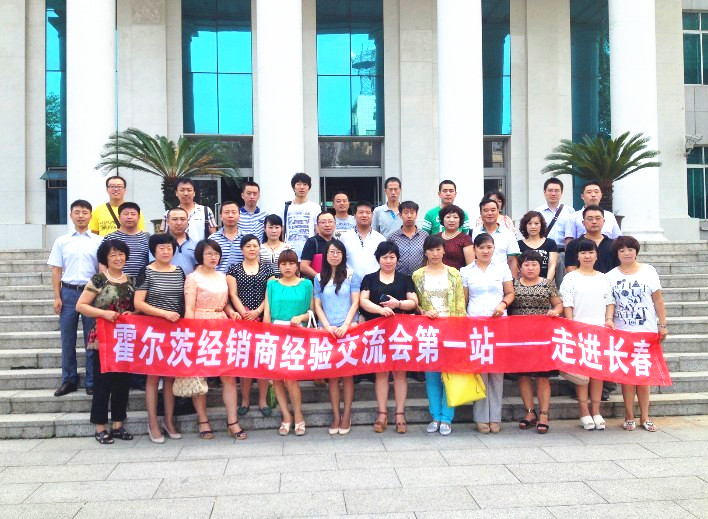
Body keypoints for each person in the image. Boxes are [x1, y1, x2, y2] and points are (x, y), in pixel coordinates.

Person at [184, 239, 246, 440]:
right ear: (200, 256)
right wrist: (190, 334)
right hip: (201, 327)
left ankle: (233, 421)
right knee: (199, 375)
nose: (213, 257)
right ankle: (203, 420)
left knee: (228, 375)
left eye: (216, 253)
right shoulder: (193, 278)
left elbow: (224, 303)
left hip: (222, 327)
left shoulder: (222, 276)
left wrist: (231, 312)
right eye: (209, 253)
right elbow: (189, 309)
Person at [75, 239, 135, 444]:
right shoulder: (99, 279)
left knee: (122, 382)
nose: (118, 258)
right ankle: (100, 427)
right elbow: (81, 306)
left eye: (121, 254)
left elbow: (136, 307)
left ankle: (118, 424)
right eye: (113, 255)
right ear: (105, 259)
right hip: (102, 338)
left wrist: (133, 313)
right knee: (102, 383)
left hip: (124, 339)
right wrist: (103, 314)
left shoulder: (132, 280)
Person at [607, 236, 668, 432]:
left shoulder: (648, 271)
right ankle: (629, 416)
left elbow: (657, 299)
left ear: (636, 251)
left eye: (630, 249)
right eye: (622, 250)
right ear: (617, 254)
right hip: (622, 332)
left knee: (643, 375)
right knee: (627, 376)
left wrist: (662, 324)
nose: (627, 253)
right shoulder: (610, 276)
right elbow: (610, 303)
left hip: (646, 331)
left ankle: (645, 416)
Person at [359, 242, 419, 433]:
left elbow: (414, 302)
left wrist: (398, 304)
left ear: (397, 259)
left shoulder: (405, 279)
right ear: (378, 259)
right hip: (377, 332)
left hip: (400, 332)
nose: (388, 260)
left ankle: (400, 414)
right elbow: (363, 301)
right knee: (381, 372)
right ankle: (382, 413)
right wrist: (381, 310)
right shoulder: (369, 278)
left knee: (400, 372)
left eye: (392, 257)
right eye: (384, 257)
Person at [133, 233, 187, 444]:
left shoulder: (179, 271)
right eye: (161, 248)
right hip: (153, 330)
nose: (166, 252)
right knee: (153, 378)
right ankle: (153, 422)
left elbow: (182, 300)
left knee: (170, 377)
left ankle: (169, 420)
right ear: (153, 251)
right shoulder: (146, 271)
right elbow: (139, 303)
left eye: (169, 248)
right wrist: (164, 314)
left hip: (174, 331)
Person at [559, 238, 616, 431]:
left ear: (596, 255)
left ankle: (596, 411)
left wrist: (609, 319)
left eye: (591, 252)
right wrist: (571, 326)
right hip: (579, 331)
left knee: (598, 373)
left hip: (599, 330)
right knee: (582, 374)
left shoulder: (603, 277)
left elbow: (610, 301)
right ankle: (584, 411)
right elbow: (567, 304)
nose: (587, 256)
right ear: (578, 256)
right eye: (583, 253)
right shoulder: (571, 278)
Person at [460, 233, 514, 433]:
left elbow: (510, 292)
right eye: (481, 247)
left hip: (498, 324)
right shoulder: (466, 271)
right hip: (475, 325)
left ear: (494, 249)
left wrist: (503, 304)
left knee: (497, 372)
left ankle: (495, 417)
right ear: (474, 249)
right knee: (480, 371)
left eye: (489, 247)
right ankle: (481, 417)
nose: (485, 251)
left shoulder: (502, 268)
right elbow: (464, 299)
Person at [48, 200, 103, 397]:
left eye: (85, 212)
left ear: (90, 216)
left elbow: (101, 270)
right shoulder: (61, 241)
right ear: (71, 215)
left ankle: (91, 381)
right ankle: (69, 380)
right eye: (77, 212)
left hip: (91, 294)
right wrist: (57, 296)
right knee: (67, 338)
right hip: (68, 293)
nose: (81, 216)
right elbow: (56, 270)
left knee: (91, 339)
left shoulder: (99, 241)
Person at [412, 235, 466, 436]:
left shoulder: (454, 274)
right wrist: (423, 312)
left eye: (438, 249)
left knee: (449, 376)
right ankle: (435, 416)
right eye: (431, 250)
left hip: (451, 329)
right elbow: (415, 303)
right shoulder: (417, 275)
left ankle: (447, 418)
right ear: (425, 252)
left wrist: (459, 331)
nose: (435, 254)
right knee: (432, 376)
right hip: (428, 331)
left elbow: (460, 303)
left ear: (444, 250)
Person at [508, 250, 564, 434]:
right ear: (520, 267)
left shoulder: (547, 283)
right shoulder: (513, 284)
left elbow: (558, 304)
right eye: (526, 264)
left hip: (542, 337)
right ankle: (530, 412)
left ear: (540, 267)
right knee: (523, 376)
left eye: (534, 264)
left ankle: (544, 414)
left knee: (542, 376)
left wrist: (555, 311)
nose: (530, 268)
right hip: (520, 337)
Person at [263, 249, 313, 436]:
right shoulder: (272, 285)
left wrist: (301, 317)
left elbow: (311, 312)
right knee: (276, 378)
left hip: (296, 335)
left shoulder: (306, 284)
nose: (287, 267)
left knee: (291, 378)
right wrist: (266, 336)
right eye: (283, 264)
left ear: (297, 265)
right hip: (275, 333)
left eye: (291, 263)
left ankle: (298, 415)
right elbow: (267, 312)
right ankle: (286, 416)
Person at [313, 240, 361, 435]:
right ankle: (335, 415)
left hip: (348, 330)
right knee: (332, 376)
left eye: (338, 252)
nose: (335, 255)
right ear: (326, 255)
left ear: (343, 255)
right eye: (331, 252)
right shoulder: (318, 278)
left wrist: (346, 325)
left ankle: (347, 414)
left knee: (347, 375)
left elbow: (355, 302)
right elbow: (317, 305)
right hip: (328, 331)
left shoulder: (351, 275)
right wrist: (326, 326)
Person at [226, 234, 275, 418]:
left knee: (262, 362)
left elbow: (270, 293)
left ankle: (262, 401)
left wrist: (258, 312)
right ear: (242, 249)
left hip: (263, 319)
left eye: (255, 246)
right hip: (242, 321)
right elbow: (232, 294)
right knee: (245, 362)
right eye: (248, 246)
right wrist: (245, 313)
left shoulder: (268, 269)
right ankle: (245, 400)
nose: (252, 249)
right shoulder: (234, 269)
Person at [535, 178, 575, 284]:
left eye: (556, 191)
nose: (553, 193)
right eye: (550, 190)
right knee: (544, 283)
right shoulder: (537, 212)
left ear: (561, 193)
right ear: (544, 192)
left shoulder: (570, 211)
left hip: (564, 253)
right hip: (544, 253)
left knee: (564, 283)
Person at [471, 197, 521, 277]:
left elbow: (512, 261)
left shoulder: (508, 234)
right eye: (485, 210)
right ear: (480, 213)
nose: (490, 213)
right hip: (479, 278)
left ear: (498, 211)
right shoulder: (473, 232)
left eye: (493, 210)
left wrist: (512, 281)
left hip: (502, 279)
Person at [565, 205, 620, 275]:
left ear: (603, 221)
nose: (594, 222)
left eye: (598, 218)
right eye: (590, 219)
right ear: (583, 223)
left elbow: (619, 268)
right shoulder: (573, 244)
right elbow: (571, 268)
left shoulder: (613, 245)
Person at [339, 201, 386, 279]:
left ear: (372, 216)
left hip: (374, 282)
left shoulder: (381, 239)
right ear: (354, 216)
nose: (364, 215)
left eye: (368, 213)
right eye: (361, 212)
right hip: (350, 282)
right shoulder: (344, 238)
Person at [103, 202, 150, 278]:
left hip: (142, 283)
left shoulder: (147, 238)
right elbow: (102, 263)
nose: (129, 217)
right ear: (119, 217)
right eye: (125, 214)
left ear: (139, 217)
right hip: (116, 282)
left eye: (133, 214)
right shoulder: (109, 238)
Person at [283, 172, 322, 258]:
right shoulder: (286, 207)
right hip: (289, 252)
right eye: (298, 184)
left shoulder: (315, 207)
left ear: (309, 188)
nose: (302, 187)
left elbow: (318, 230)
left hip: (309, 252)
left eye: (305, 184)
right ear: (293, 187)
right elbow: (283, 231)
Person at [153, 207, 197, 275]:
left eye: (182, 219)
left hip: (190, 281)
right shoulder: (157, 244)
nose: (179, 223)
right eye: (174, 219)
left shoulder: (195, 244)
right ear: (167, 221)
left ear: (187, 221)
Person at [518, 210, 558, 281]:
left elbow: (552, 265)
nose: (533, 226)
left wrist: (546, 283)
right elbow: (518, 267)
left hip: (546, 282)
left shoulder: (550, 243)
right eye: (529, 223)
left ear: (541, 225)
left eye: (536, 223)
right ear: (525, 226)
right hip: (525, 283)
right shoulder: (518, 244)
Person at [389, 200, 426, 277]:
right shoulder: (392, 237)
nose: (409, 216)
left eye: (412, 212)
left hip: (419, 278)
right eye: (406, 213)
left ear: (416, 215)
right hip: (398, 278)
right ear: (400, 215)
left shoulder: (424, 236)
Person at [210, 201, 244, 273]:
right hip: (219, 278)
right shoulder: (213, 239)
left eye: (234, 212)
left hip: (242, 279)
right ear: (221, 216)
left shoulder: (247, 238)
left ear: (239, 216)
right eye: (226, 212)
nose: (230, 215)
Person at [300, 212, 335, 280]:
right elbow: (303, 266)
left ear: (335, 224)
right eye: (323, 222)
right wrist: (320, 279)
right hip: (317, 283)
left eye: (330, 221)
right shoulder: (312, 242)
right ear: (318, 225)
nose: (327, 225)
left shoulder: (337, 243)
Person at [438, 204, 474, 270]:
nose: (451, 220)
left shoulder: (465, 239)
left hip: (458, 275)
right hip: (437, 274)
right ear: (442, 219)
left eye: (455, 217)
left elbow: (470, 266)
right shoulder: (436, 238)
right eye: (448, 217)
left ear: (460, 220)